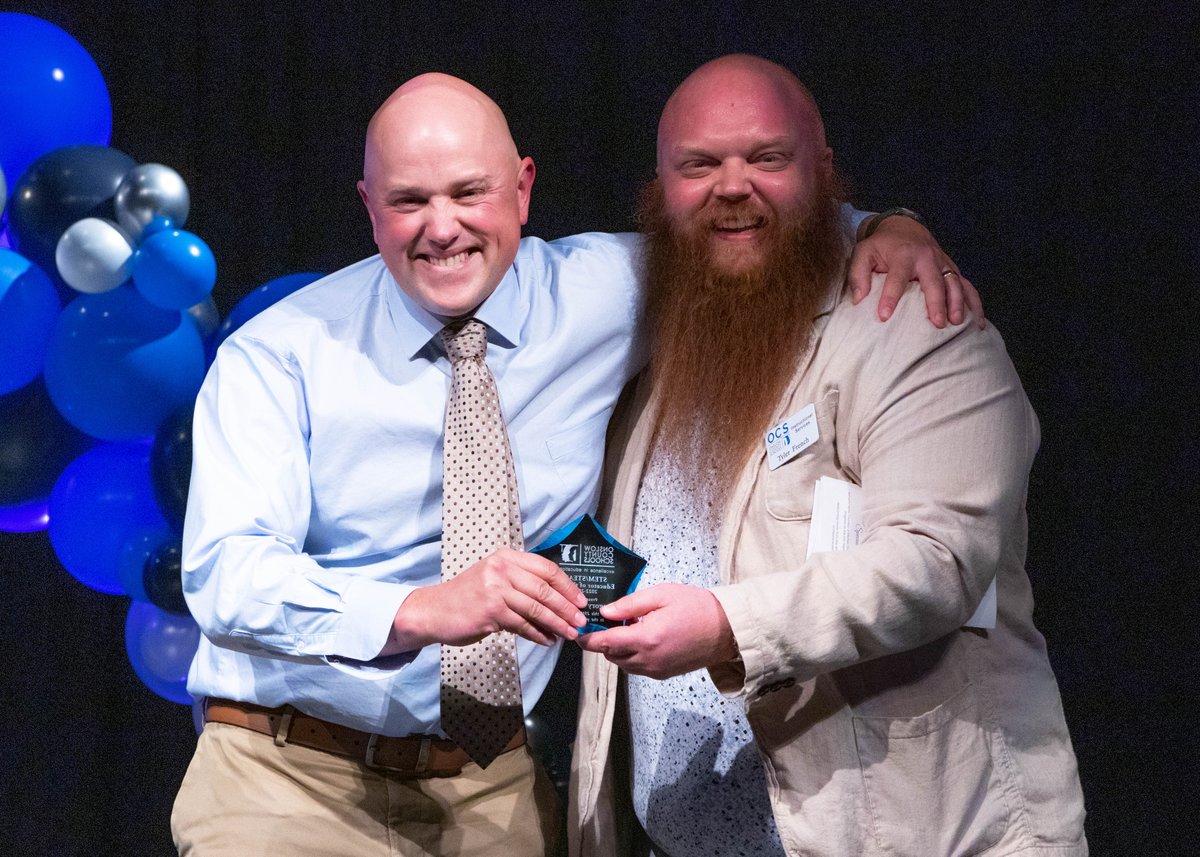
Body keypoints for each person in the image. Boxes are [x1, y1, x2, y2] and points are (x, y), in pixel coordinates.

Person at [173, 71, 971, 857]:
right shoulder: (278, 354)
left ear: (523, 189)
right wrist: (420, 608)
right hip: (286, 775)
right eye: (410, 201)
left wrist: (884, 227)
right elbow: (227, 576)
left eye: (468, 193)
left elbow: (753, 233)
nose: (442, 227)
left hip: (490, 783)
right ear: (368, 207)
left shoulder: (606, 291)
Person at [572, 55, 1088, 857]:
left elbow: (936, 561)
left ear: (826, 175)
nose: (732, 185)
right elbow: (635, 547)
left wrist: (722, 626)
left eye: (767, 158)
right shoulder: (659, 346)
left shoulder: (917, 325)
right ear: (660, 188)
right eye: (699, 164)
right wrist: (552, 573)